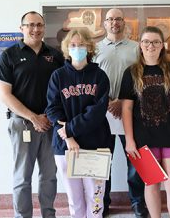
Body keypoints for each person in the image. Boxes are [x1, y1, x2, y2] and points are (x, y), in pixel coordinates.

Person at [119, 26, 170, 218]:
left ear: (162, 46)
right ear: (140, 45)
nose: (151, 46)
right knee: (151, 184)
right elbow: (126, 108)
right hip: (143, 140)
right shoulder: (131, 72)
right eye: (146, 42)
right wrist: (129, 139)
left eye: (155, 42)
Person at [0, 11, 63, 218]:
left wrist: (47, 117)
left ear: (44, 28)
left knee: (49, 176)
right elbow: (5, 94)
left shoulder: (55, 55)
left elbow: (62, 90)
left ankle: (48, 215)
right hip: (22, 124)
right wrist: (33, 117)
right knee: (22, 177)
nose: (35, 29)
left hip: (51, 124)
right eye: (30, 25)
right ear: (22, 28)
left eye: (39, 25)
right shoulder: (8, 55)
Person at [45, 28, 111, 218]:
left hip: (96, 144)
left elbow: (98, 111)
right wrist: (69, 137)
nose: (77, 48)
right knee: (75, 201)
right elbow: (52, 109)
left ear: (89, 47)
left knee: (95, 200)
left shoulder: (99, 76)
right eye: (73, 45)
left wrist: (70, 129)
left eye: (81, 44)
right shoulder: (58, 76)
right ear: (66, 48)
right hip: (66, 147)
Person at [94, 8, 148, 217]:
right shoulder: (96, 48)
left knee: (135, 162)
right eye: (110, 19)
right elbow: (91, 80)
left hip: (130, 112)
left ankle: (137, 203)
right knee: (102, 162)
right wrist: (107, 101)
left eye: (118, 19)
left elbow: (141, 79)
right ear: (104, 24)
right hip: (102, 114)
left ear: (124, 23)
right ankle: (103, 203)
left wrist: (122, 101)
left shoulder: (136, 48)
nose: (114, 22)